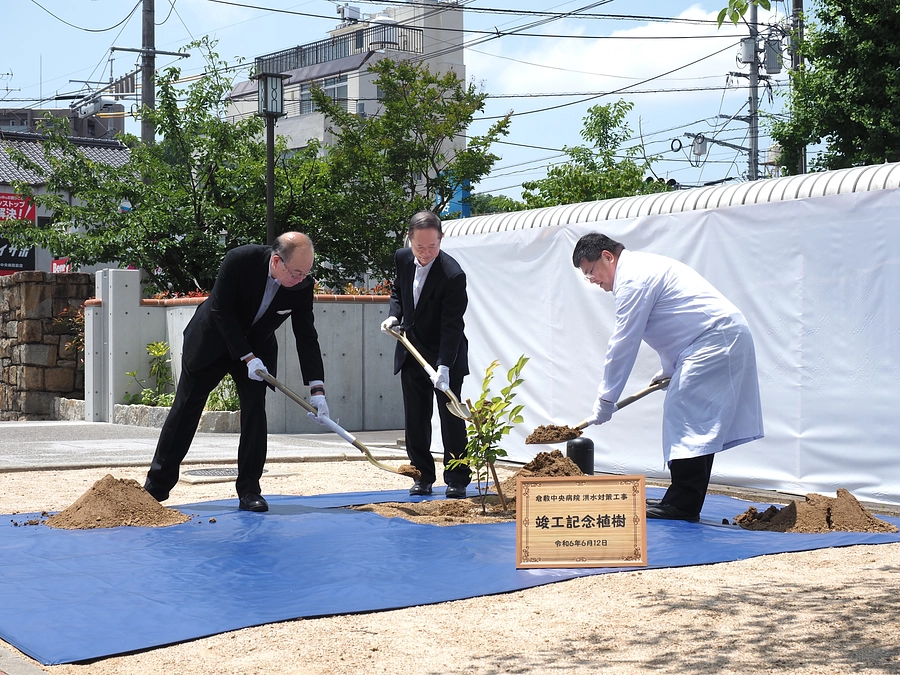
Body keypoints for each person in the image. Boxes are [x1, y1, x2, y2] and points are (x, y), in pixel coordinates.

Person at [573, 232, 763, 522]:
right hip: (709, 339)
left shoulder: (633, 279)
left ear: (607, 257)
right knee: (692, 419)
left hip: (714, 339)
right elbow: (673, 322)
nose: (592, 281)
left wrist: (606, 400)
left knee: (685, 415)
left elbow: (624, 343)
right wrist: (670, 368)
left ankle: (682, 504)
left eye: (591, 272)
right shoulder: (638, 271)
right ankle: (683, 501)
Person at [144, 232, 329, 513]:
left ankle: (250, 490)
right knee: (185, 409)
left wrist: (317, 388)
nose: (302, 279)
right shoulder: (240, 260)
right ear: (277, 261)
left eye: (307, 273)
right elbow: (221, 311)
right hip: (213, 342)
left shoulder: (302, 284)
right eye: (296, 272)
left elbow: (306, 334)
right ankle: (156, 488)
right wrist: (247, 357)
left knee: (255, 412)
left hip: (258, 351)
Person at [381, 211, 471, 499]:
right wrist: (395, 316)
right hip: (411, 350)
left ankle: (457, 478)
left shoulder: (453, 275)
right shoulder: (402, 259)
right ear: (409, 240)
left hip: (446, 353)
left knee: (451, 417)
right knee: (416, 418)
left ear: (441, 239)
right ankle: (421, 476)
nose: (426, 252)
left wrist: (444, 366)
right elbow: (398, 291)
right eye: (420, 247)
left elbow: (452, 325)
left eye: (433, 246)